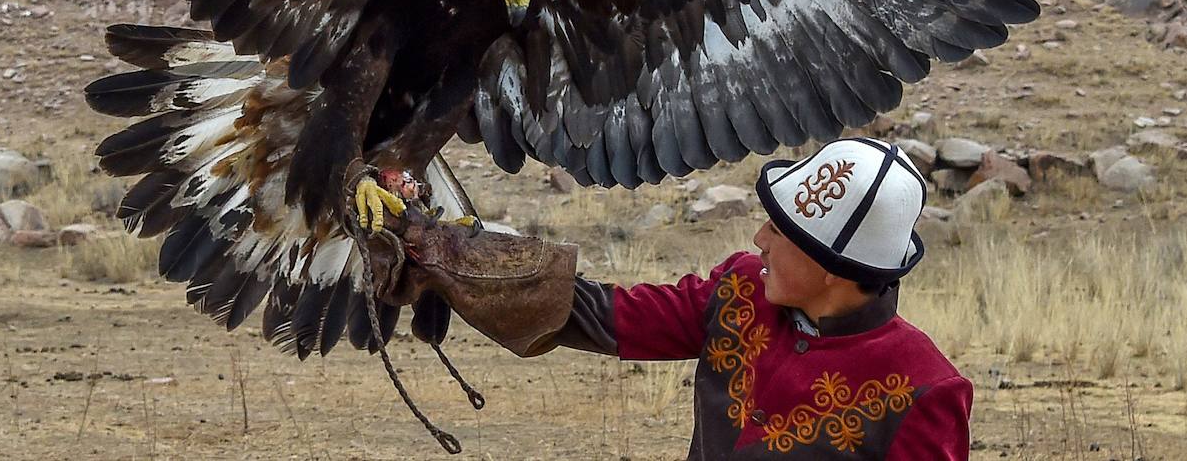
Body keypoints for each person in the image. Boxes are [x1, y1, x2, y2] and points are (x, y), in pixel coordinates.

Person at [375, 137, 972, 459]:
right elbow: (598, 315)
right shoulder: (740, 290)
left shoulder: (926, 391)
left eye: (780, 231)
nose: (759, 239)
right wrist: (437, 246)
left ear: (832, 268)